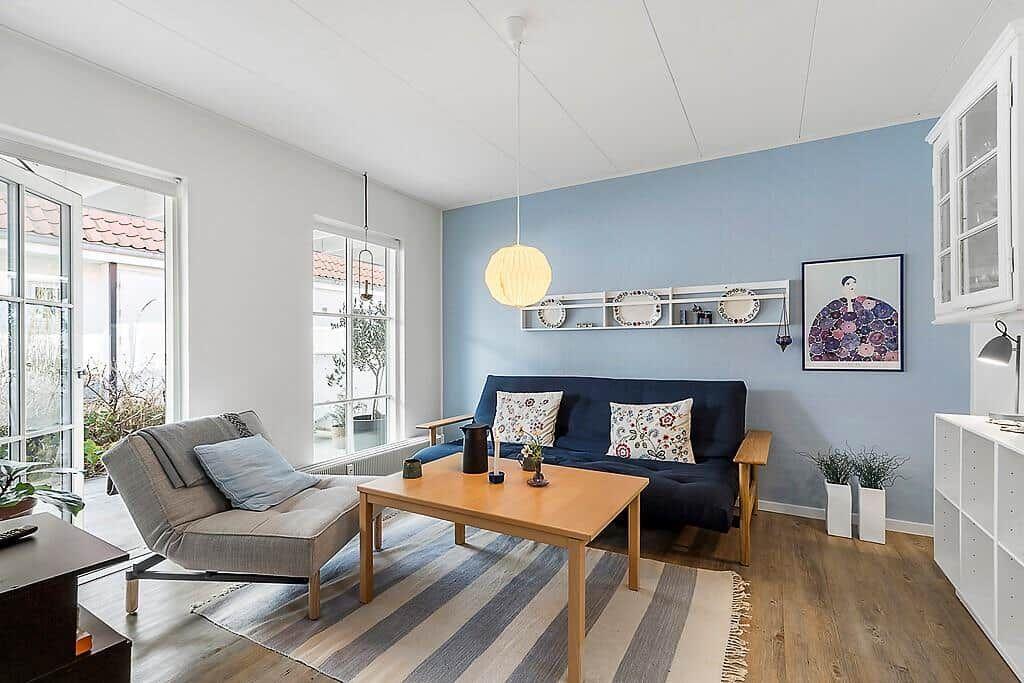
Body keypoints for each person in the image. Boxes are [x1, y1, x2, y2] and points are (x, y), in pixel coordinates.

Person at [807, 275, 899, 363]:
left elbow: (889, 317)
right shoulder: (835, 304)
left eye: (853, 283)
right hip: (840, 353)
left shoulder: (866, 301)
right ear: (843, 286)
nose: (851, 285)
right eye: (848, 283)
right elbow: (821, 325)